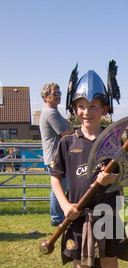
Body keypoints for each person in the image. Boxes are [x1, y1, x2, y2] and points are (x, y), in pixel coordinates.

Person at [50, 68, 128, 268]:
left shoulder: (116, 142)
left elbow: (125, 176)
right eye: (81, 106)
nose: (87, 112)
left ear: (104, 109)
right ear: (74, 109)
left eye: (93, 107)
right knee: (80, 266)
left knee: (110, 263)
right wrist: (64, 206)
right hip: (78, 215)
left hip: (107, 214)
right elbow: (56, 179)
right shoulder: (67, 143)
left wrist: (112, 180)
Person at [39, 82, 73, 225]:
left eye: (59, 93)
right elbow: (66, 133)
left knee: (60, 187)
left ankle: (58, 217)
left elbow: (68, 127)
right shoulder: (51, 113)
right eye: (55, 94)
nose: (59, 96)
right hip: (55, 157)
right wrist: (69, 127)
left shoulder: (52, 111)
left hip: (55, 156)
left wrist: (69, 126)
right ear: (46, 97)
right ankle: (57, 218)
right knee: (59, 188)